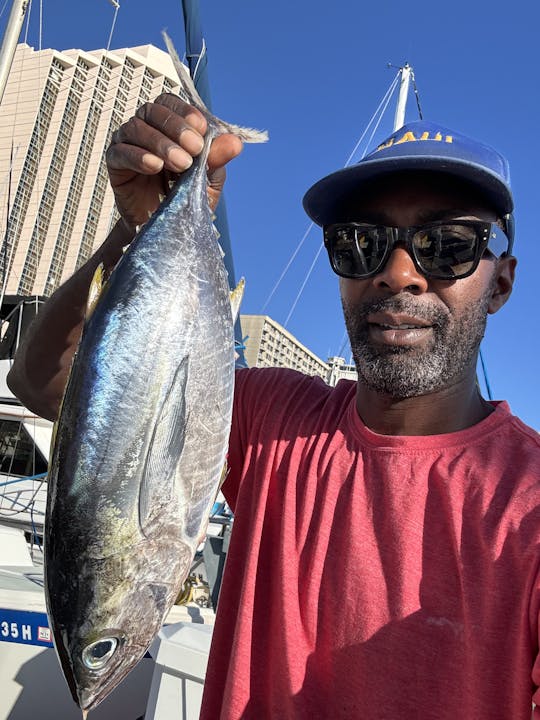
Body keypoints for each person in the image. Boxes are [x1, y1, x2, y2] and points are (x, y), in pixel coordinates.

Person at [7, 95, 539, 719]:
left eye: (448, 245)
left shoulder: (526, 504)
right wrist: (138, 230)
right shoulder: (275, 422)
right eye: (359, 243)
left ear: (501, 282)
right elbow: (44, 384)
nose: (399, 274)